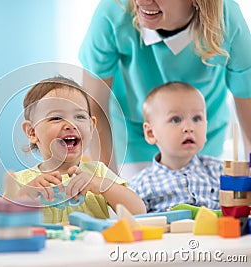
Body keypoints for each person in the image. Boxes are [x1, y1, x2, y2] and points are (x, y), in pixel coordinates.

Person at [79, 0, 251, 179]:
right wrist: (108, 182)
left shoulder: (227, 20)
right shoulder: (113, 11)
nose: (140, 1)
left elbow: (248, 111)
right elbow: (95, 109)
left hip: (198, 135)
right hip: (134, 138)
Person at [13, 76, 146, 224]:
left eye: (79, 116)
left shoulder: (98, 173)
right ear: (32, 132)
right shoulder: (21, 181)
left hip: (92, 246)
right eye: (56, 118)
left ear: (91, 126)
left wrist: (102, 185)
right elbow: (2, 222)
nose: (71, 124)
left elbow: (139, 211)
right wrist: (26, 194)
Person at [129, 82, 222, 212]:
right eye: (176, 120)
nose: (189, 128)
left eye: (196, 118)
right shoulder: (141, 185)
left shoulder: (219, 171)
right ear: (151, 133)